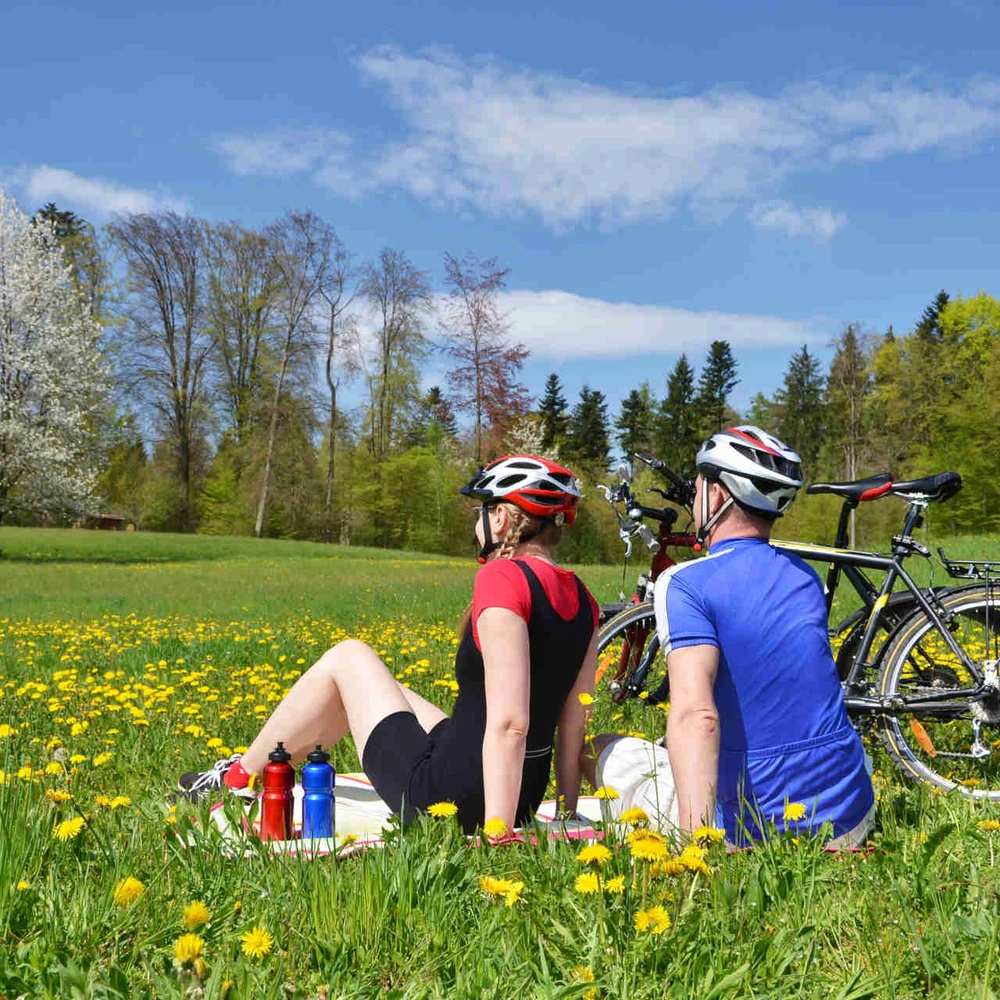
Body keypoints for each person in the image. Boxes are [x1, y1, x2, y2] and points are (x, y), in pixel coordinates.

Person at [177, 455, 600, 836]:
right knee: (379, 687)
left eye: (482, 511)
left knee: (348, 657)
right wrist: (566, 813)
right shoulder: (584, 599)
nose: (478, 523)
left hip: (453, 798)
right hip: (521, 794)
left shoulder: (503, 578)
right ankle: (252, 770)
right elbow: (572, 725)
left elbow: (510, 725)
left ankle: (235, 779)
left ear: (502, 520)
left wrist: (498, 832)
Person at [587, 426, 875, 847]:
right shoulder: (804, 576)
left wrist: (695, 846)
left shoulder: (684, 584)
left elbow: (697, 717)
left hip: (752, 829)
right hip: (849, 816)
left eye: (698, 487)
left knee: (598, 747)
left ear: (717, 494)